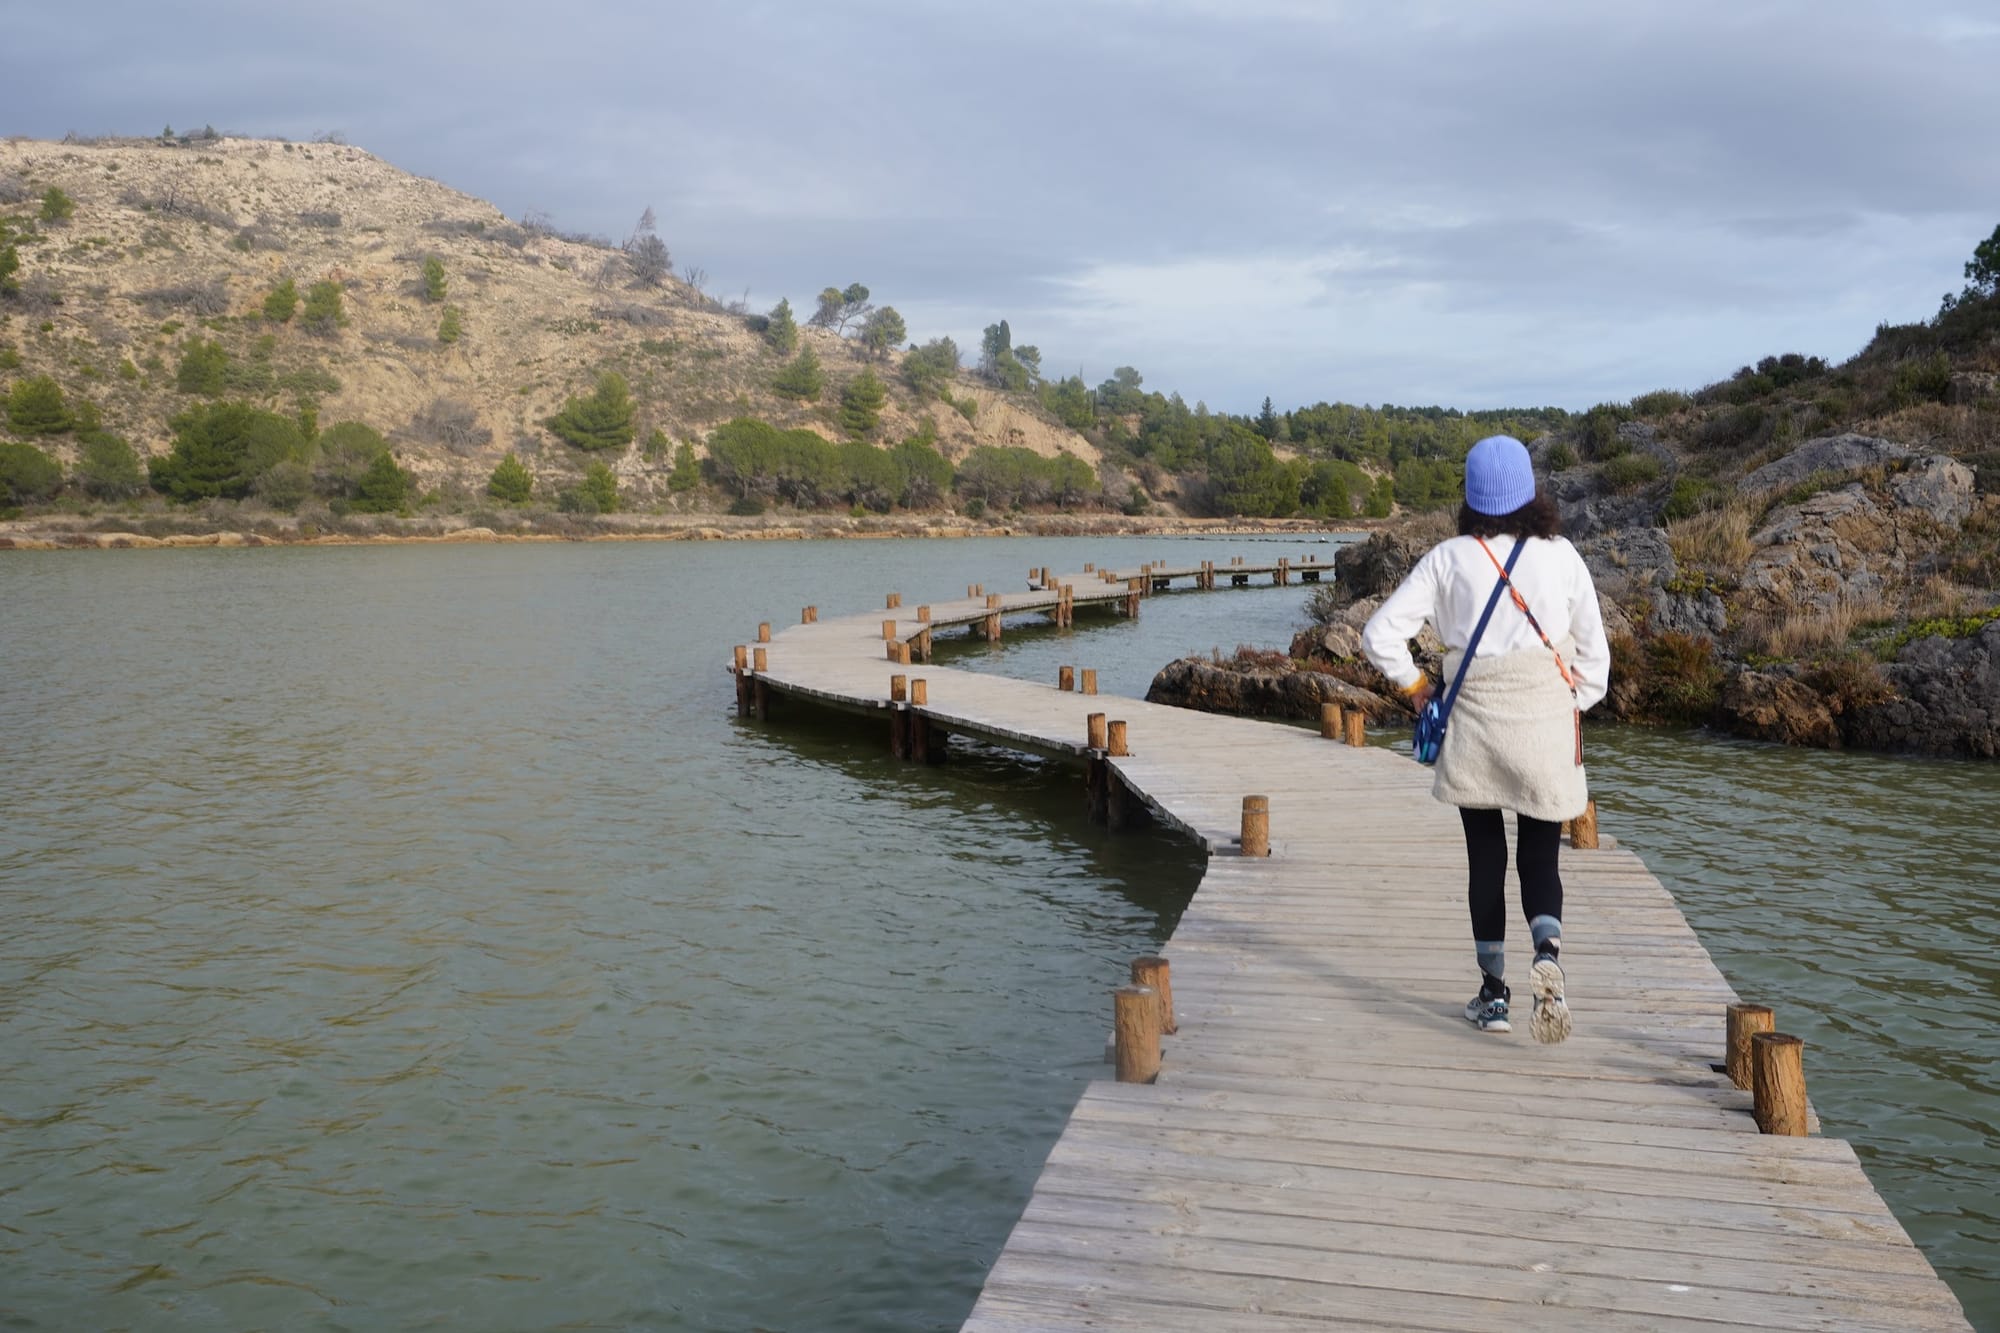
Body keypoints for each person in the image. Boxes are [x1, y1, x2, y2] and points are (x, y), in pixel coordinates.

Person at [1361, 434, 1609, 1043]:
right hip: (1545, 724)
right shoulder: (1563, 557)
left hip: (1474, 724)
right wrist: (1561, 703)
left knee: (1486, 857)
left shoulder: (1449, 558)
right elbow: (1595, 667)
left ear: (1470, 496)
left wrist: (1418, 688)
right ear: (1531, 493)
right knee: (1541, 852)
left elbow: (1378, 634)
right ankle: (1547, 951)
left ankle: (1493, 996)